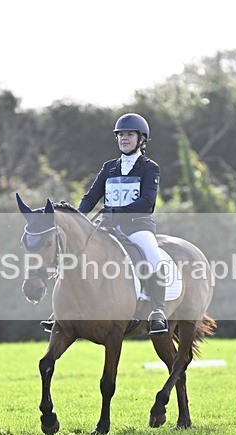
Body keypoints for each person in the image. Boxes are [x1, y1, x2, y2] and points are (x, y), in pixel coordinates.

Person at [41, 112, 169, 335]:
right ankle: (63, 312)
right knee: (75, 254)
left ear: (142, 140)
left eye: (129, 135)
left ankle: (157, 311)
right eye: (120, 135)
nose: (124, 139)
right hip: (108, 227)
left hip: (137, 227)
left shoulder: (150, 168)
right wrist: (76, 219)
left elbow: (147, 202)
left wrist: (116, 211)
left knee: (153, 256)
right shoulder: (109, 167)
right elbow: (91, 197)